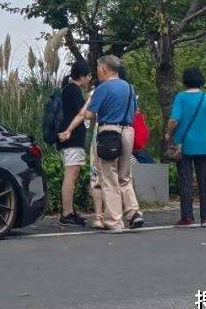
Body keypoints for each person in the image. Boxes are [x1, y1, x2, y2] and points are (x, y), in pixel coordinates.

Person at [64, 55, 143, 232]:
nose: (97, 73)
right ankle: (133, 212)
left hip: (109, 132)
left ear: (104, 69)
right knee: (124, 176)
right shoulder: (129, 87)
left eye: (98, 69)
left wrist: (90, 105)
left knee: (108, 177)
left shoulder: (103, 88)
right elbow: (135, 112)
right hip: (128, 131)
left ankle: (114, 221)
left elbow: (89, 114)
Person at [165, 67, 206, 228]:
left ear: (185, 81)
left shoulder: (181, 97)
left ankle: (187, 217)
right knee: (205, 182)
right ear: (201, 81)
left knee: (186, 180)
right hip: (205, 146)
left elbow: (174, 120)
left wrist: (169, 133)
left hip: (184, 146)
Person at [55, 60, 91, 226]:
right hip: (71, 139)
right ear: (82, 76)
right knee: (71, 173)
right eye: (88, 76)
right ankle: (67, 213)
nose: (89, 79)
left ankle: (70, 211)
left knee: (73, 173)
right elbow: (83, 113)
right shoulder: (73, 90)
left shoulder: (69, 90)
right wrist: (91, 100)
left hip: (70, 139)